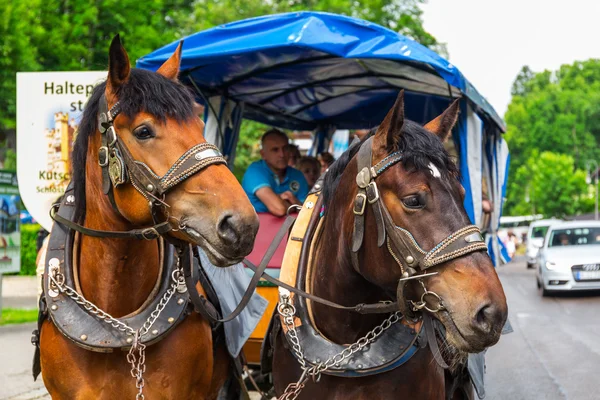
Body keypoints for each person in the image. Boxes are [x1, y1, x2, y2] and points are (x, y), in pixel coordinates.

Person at [242, 129, 309, 216]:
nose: (282, 154)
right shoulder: (255, 171)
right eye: (275, 150)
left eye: (285, 148)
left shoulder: (298, 175)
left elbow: (308, 213)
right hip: (258, 228)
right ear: (263, 154)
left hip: (293, 229)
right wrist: (294, 205)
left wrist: (293, 200)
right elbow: (279, 209)